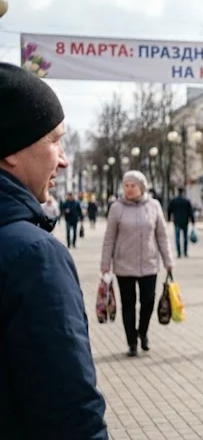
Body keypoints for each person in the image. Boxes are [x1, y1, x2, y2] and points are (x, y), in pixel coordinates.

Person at [0, 62, 107, 438]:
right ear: (10, 151)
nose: (63, 158)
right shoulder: (33, 256)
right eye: (53, 141)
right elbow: (70, 413)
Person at [101, 171, 173, 357]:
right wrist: (105, 264)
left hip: (149, 264)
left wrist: (168, 261)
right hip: (124, 265)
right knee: (128, 305)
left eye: (133, 186)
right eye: (126, 186)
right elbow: (109, 238)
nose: (129, 189)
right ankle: (132, 342)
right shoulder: (116, 208)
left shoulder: (154, 206)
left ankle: (143, 331)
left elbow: (162, 236)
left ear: (141, 187)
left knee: (148, 302)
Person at [168, 187, 195, 258]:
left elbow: (169, 210)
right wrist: (192, 220)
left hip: (177, 221)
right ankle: (185, 252)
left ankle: (179, 253)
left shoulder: (174, 201)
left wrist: (169, 218)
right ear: (183, 192)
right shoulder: (186, 201)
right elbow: (190, 212)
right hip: (185, 221)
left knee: (177, 238)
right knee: (185, 237)